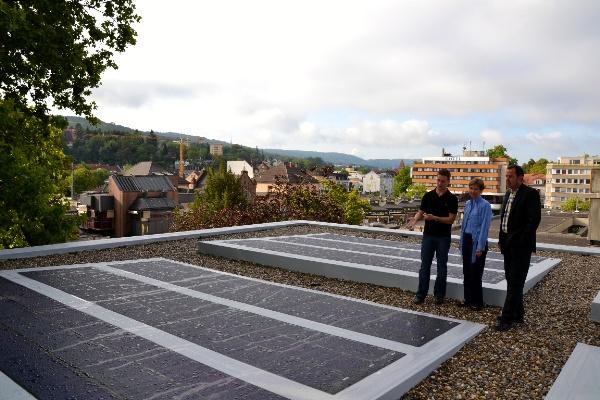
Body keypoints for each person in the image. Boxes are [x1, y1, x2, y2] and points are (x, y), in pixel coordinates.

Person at [496, 164, 541, 331]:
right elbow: (504, 220)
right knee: (512, 280)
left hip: (520, 246)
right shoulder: (508, 194)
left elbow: (533, 221)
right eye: (506, 176)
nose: (507, 179)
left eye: (510, 176)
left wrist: (520, 240)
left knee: (515, 281)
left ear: (521, 178)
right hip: (507, 244)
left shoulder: (530, 195)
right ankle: (518, 313)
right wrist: (501, 239)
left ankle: (506, 318)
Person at [407, 169, 458, 305]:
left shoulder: (452, 199)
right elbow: (421, 211)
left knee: (442, 267)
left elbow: (451, 220)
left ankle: (439, 295)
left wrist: (434, 218)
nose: (440, 183)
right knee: (425, 266)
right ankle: (421, 294)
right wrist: (415, 220)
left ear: (448, 182)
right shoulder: (428, 196)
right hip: (428, 236)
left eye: (443, 181)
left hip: (443, 237)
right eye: (438, 180)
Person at [459, 178, 492, 311]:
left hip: (477, 243)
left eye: (476, 189)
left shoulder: (485, 205)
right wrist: (461, 242)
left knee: (476, 273)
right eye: (471, 188)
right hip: (466, 240)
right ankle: (468, 299)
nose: (473, 191)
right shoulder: (467, 203)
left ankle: (477, 302)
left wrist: (480, 247)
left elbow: (484, 227)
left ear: (481, 190)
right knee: (466, 272)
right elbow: (464, 225)